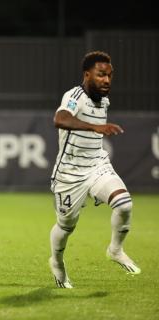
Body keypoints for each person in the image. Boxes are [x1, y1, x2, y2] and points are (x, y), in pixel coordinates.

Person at [49, 51, 141, 288]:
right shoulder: (74, 95)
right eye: (101, 75)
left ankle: (115, 249)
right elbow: (60, 119)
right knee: (66, 226)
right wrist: (93, 127)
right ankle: (57, 262)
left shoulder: (104, 99)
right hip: (70, 173)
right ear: (87, 74)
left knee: (124, 204)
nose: (107, 80)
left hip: (96, 165)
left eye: (110, 76)